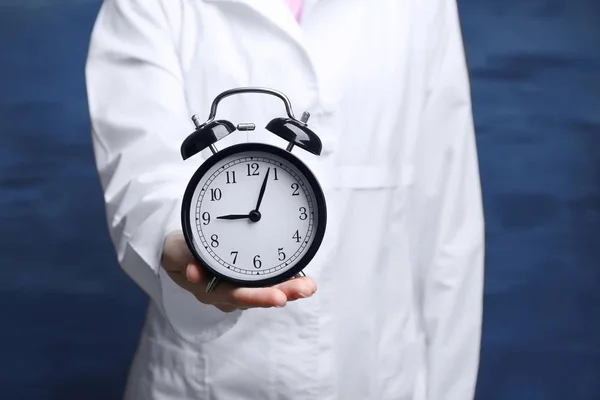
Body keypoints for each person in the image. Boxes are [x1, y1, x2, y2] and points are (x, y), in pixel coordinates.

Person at [85, 0, 485, 398]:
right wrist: (182, 240)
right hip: (209, 381)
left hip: (377, 370)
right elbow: (141, 166)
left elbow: (449, 225)